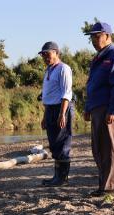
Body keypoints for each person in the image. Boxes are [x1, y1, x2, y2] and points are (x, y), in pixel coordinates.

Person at [83, 22, 114, 197]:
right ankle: (104, 185)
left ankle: (111, 187)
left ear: (108, 36)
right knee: (98, 148)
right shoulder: (99, 57)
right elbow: (91, 84)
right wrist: (88, 107)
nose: (94, 40)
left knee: (108, 147)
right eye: (92, 37)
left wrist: (112, 110)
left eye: (98, 36)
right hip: (96, 108)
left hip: (109, 108)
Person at [38, 41, 74, 186]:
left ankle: (62, 179)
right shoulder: (48, 70)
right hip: (50, 109)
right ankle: (57, 176)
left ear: (56, 53)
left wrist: (62, 114)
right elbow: (48, 95)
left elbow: (66, 93)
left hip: (61, 108)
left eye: (48, 53)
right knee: (53, 144)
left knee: (62, 142)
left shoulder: (63, 69)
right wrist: (44, 116)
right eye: (43, 54)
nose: (45, 57)